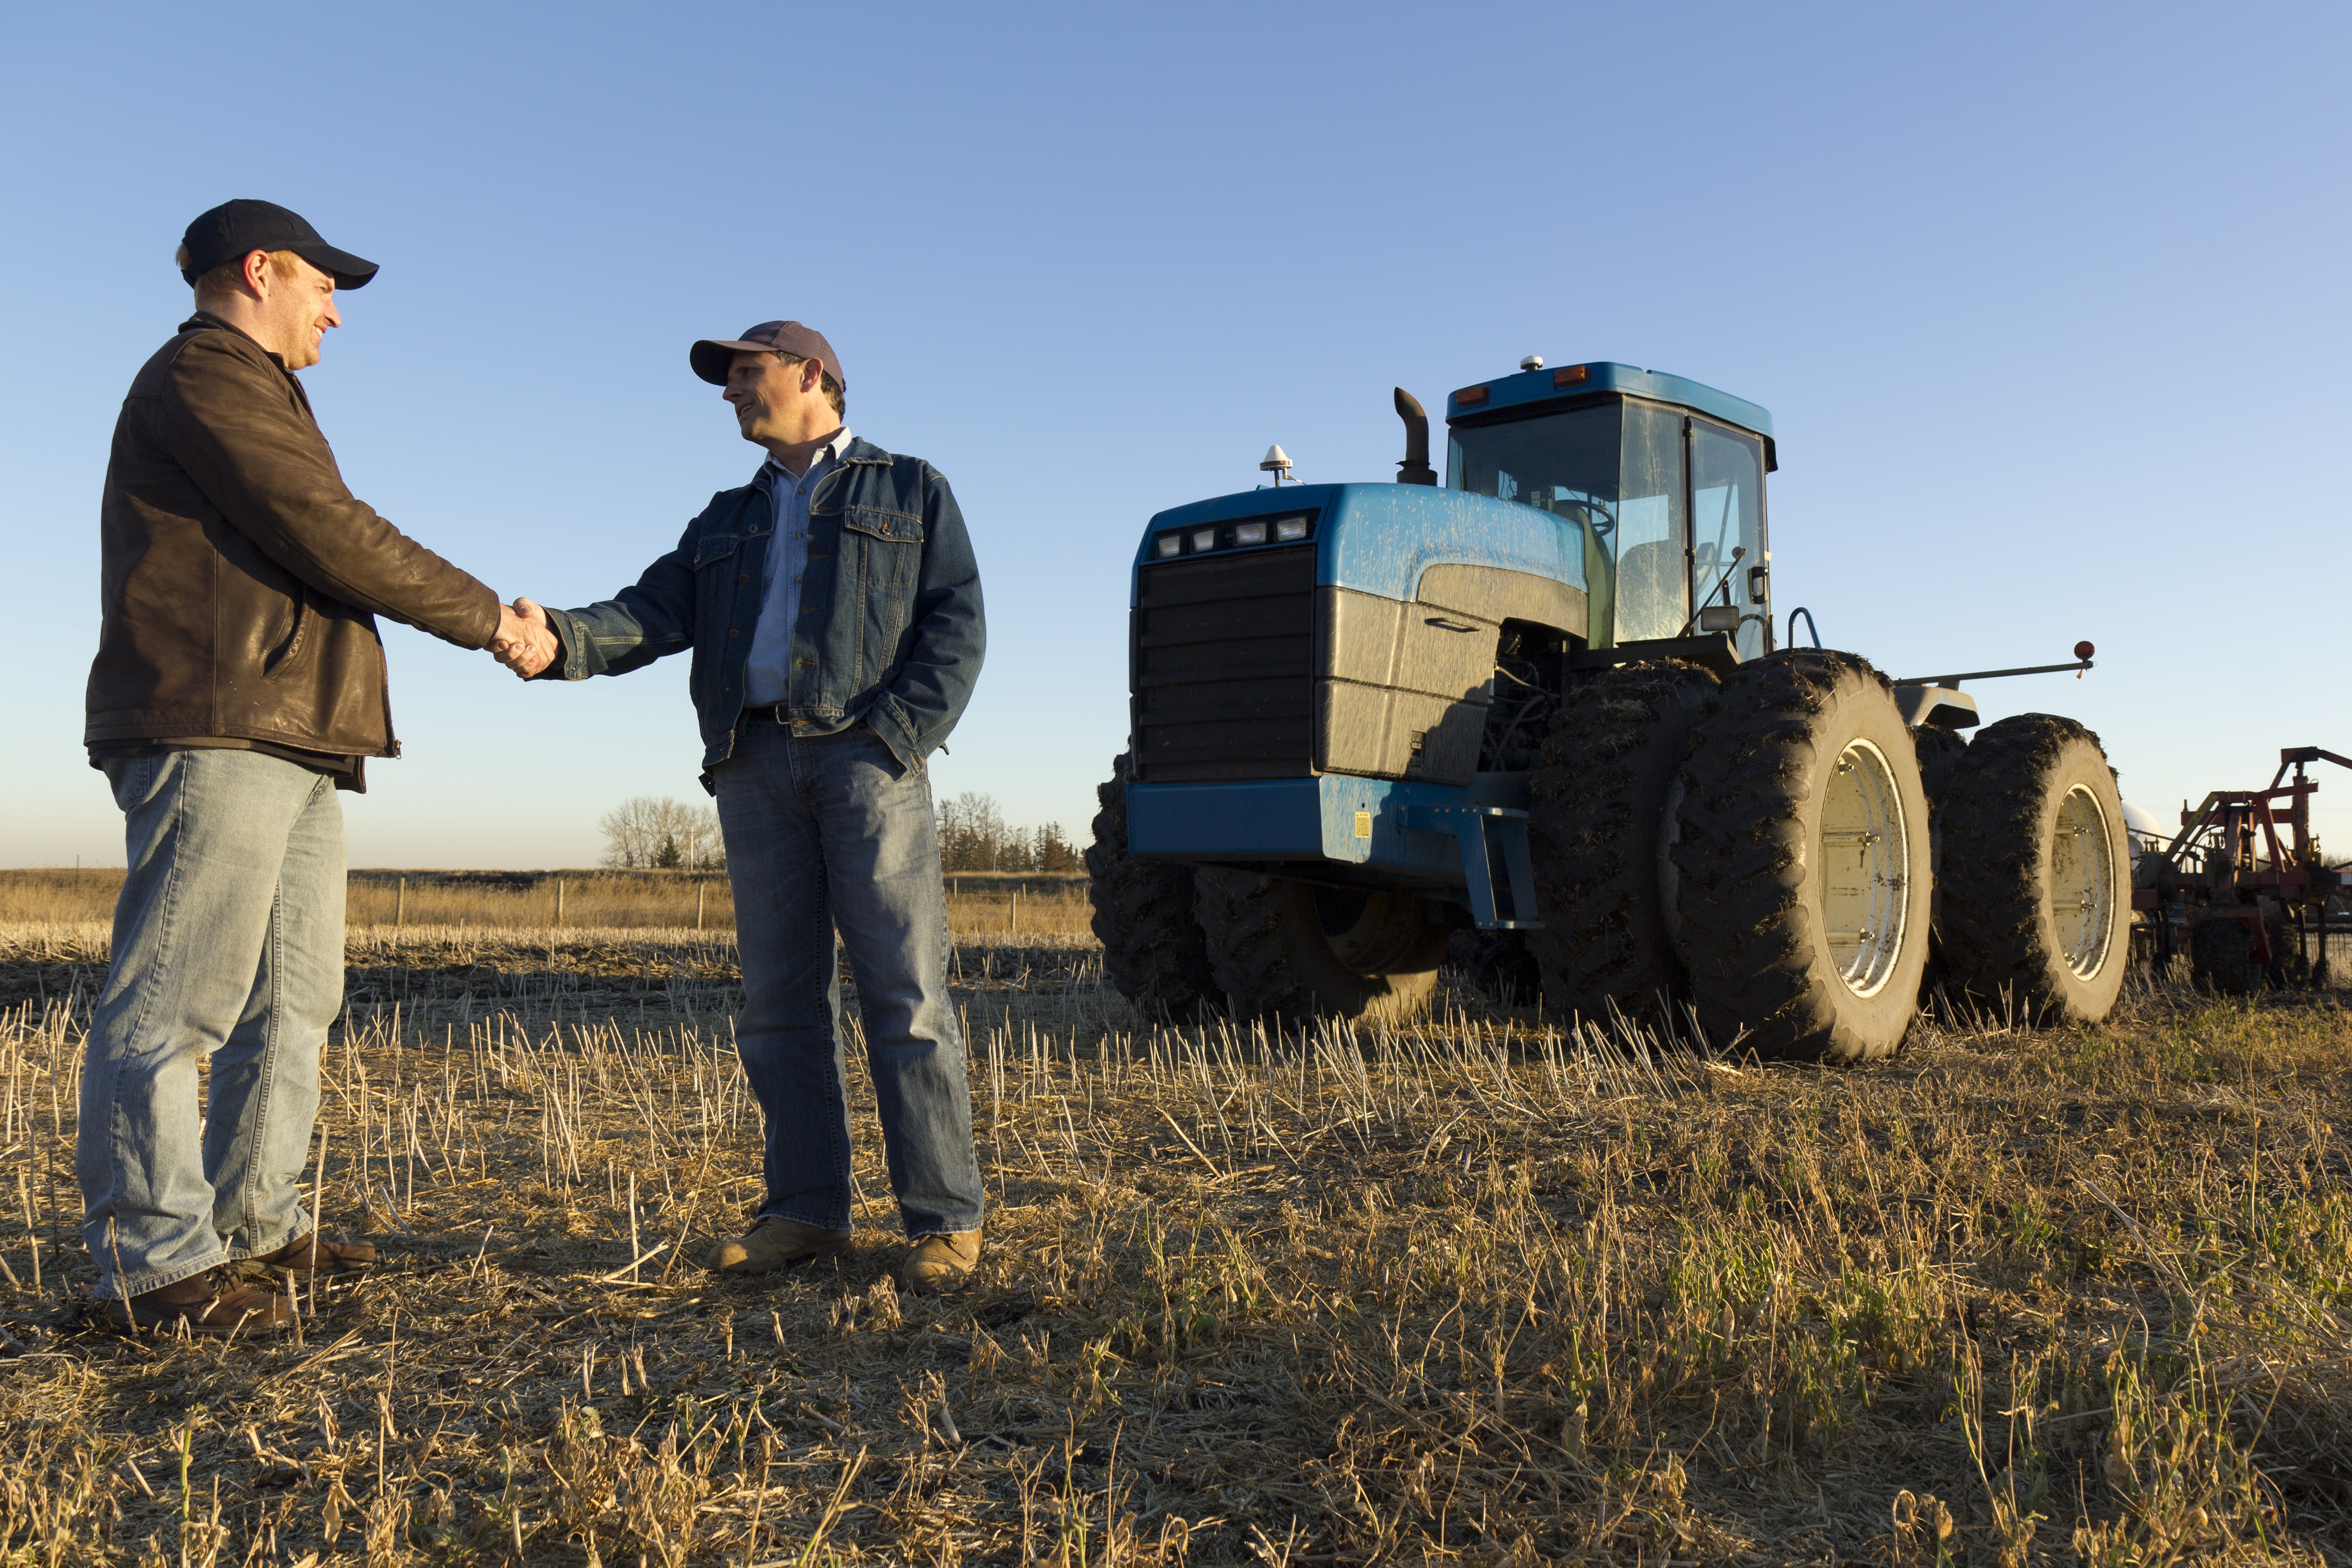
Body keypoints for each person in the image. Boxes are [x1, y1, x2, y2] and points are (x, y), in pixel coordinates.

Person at [82, 199, 542, 1334]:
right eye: (324, 283)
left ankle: (255, 1225)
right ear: (260, 270)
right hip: (217, 719)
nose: (337, 307)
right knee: (176, 1000)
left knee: (292, 998)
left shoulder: (259, 387)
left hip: (290, 727)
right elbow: (328, 526)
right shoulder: (205, 377)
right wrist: (492, 619)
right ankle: (155, 1269)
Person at [496, 320, 988, 1294]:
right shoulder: (725, 517)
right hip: (752, 761)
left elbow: (957, 624)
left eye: (745, 372)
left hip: (867, 760)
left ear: (813, 375)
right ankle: (805, 1214)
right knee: (777, 1006)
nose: (728, 390)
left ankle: (942, 1221)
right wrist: (556, 635)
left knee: (906, 995)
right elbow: (650, 611)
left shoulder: (911, 487)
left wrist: (891, 739)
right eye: (725, 378)